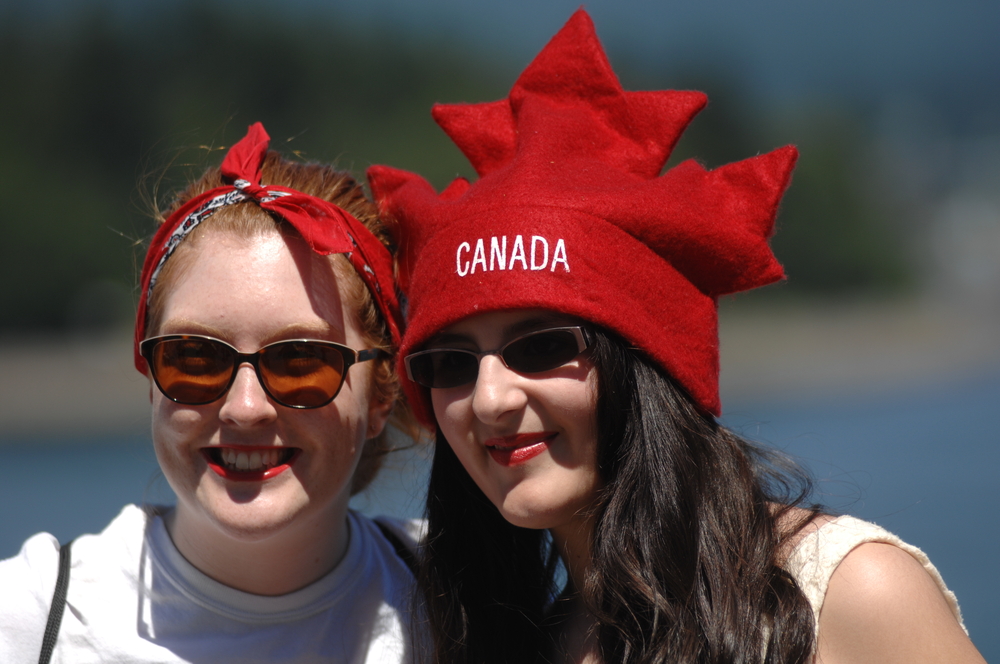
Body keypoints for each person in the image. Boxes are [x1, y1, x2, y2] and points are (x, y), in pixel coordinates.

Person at [366, 11, 985, 664]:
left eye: (542, 347)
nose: (489, 398)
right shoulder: (511, 642)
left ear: (646, 362)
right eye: (450, 364)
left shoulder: (846, 593)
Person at [0, 123, 425, 663]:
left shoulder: (463, 607)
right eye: (196, 359)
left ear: (381, 393)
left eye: (301, 362)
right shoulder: (32, 623)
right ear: (151, 378)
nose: (245, 408)